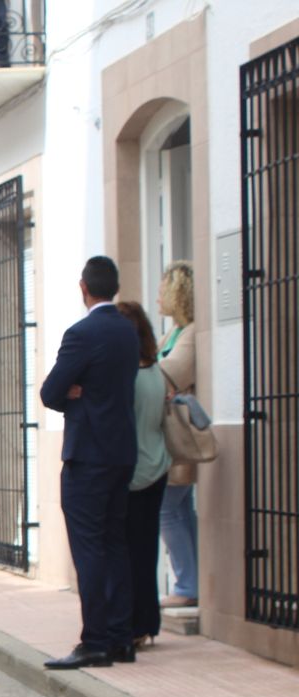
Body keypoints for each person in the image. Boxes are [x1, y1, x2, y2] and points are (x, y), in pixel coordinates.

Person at [39, 256, 140, 670]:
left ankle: (95, 641)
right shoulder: (128, 331)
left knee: (89, 548)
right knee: (116, 543)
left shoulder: (81, 333)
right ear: (114, 287)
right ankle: (121, 638)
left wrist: (71, 394)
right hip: (122, 453)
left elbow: (50, 392)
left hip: (88, 455)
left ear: (84, 287)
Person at [116, 301, 171, 649]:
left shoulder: (129, 378)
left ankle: (136, 625)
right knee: (147, 549)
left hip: (134, 473)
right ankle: (149, 621)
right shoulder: (157, 372)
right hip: (158, 467)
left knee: (128, 553)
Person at [155, 261, 199, 608]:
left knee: (167, 508)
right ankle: (191, 583)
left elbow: (171, 372)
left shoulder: (191, 334)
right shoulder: (174, 333)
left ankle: (186, 585)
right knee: (180, 509)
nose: (158, 297)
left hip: (179, 434)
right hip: (170, 434)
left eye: (163, 290)